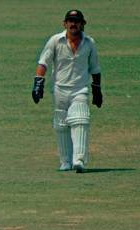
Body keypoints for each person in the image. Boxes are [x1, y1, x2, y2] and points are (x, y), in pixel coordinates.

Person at [32, 9, 103, 173]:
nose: (73, 24)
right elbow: (43, 63)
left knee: (80, 120)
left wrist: (97, 90)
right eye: (70, 21)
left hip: (80, 89)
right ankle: (65, 161)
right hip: (60, 90)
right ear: (65, 23)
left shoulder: (89, 43)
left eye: (77, 21)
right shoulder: (55, 41)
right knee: (61, 125)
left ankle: (78, 160)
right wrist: (38, 84)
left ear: (82, 24)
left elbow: (95, 68)